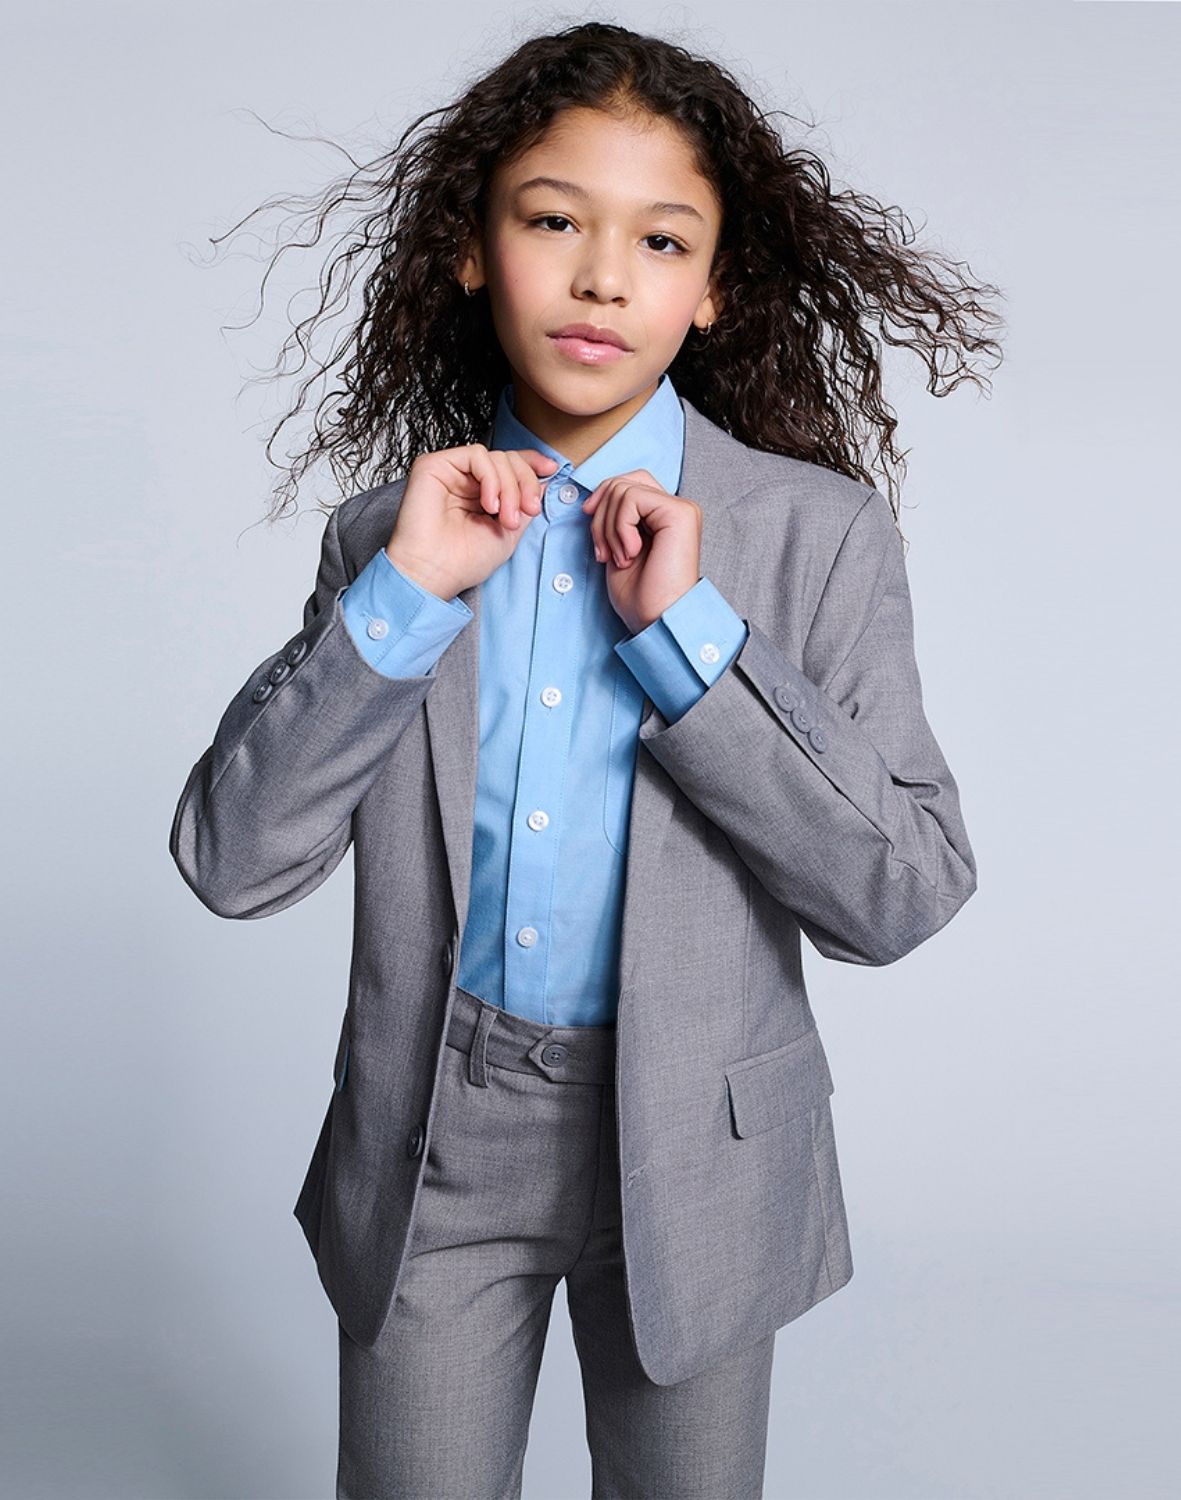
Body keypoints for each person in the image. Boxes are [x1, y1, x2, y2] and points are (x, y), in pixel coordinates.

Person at [169, 20, 1001, 1500]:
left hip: (700, 1143)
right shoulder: (387, 538)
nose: (606, 277)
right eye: (554, 221)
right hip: (433, 1140)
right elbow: (232, 862)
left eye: (662, 240)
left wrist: (689, 639)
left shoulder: (816, 537)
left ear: (715, 285)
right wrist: (408, 597)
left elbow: (903, 893)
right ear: (471, 248)